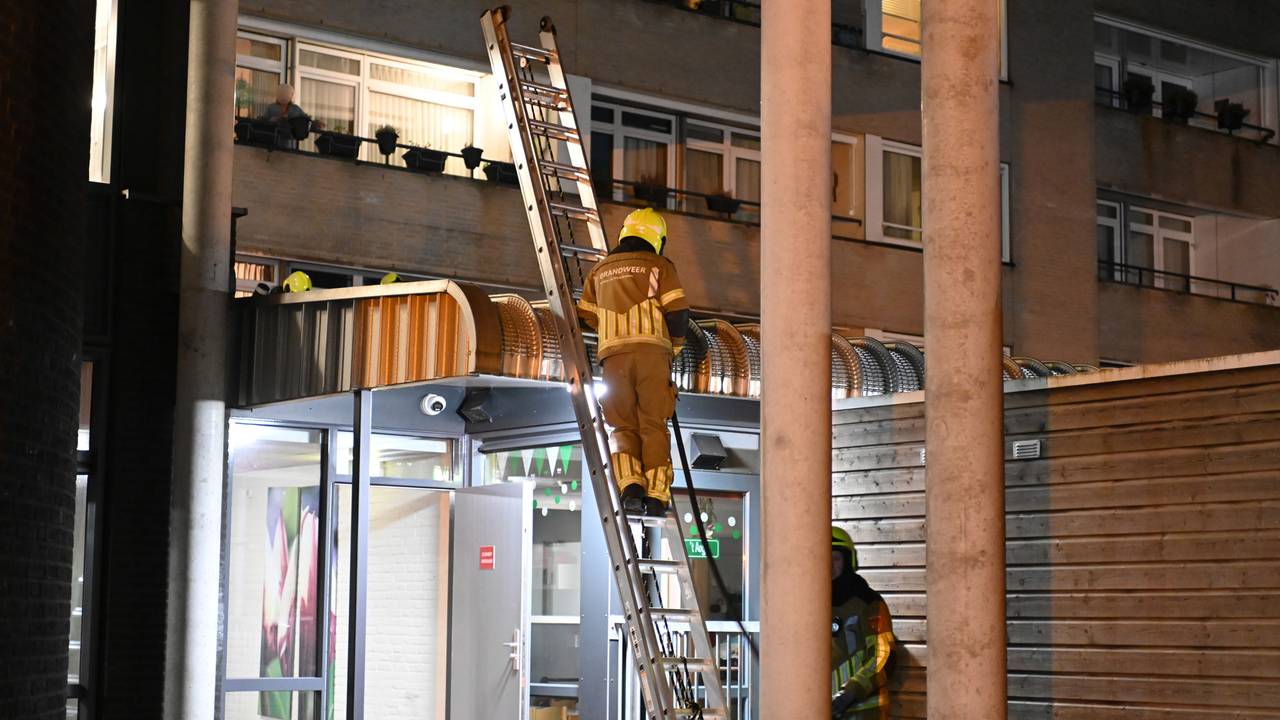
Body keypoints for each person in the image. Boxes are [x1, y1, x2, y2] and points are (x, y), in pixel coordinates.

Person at [576, 208, 689, 517]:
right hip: (653, 354)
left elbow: (586, 315)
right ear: (658, 238)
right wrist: (674, 350)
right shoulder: (659, 266)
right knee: (653, 425)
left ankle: (630, 488)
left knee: (621, 425)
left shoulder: (600, 271)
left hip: (612, 359)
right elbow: (677, 313)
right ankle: (655, 496)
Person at [831, 526, 896, 719]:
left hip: (864, 710)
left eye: (836, 558)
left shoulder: (868, 602)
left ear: (848, 561)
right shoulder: (809, 605)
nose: (829, 565)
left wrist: (852, 690)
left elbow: (884, 654)